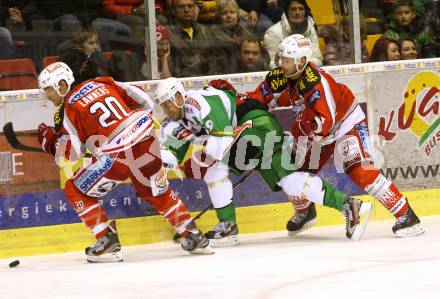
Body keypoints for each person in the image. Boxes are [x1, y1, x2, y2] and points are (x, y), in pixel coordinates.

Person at [154, 76, 373, 246]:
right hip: (249, 131)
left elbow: (220, 142)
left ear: (180, 97)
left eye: (168, 103)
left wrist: (197, 154)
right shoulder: (175, 120)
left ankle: (228, 226)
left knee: (215, 168)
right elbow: (171, 155)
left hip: (256, 124)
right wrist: (165, 162)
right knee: (290, 181)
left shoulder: (201, 104)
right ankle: (350, 206)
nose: (166, 109)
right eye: (162, 105)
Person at [246, 34, 425, 238]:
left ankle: (406, 216)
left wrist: (303, 132)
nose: (281, 64)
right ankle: (305, 212)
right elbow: (258, 98)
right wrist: (244, 109)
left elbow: (326, 123)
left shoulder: (316, 84)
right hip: (319, 130)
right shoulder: (280, 76)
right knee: (292, 170)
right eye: (282, 59)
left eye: (287, 60)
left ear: (302, 61)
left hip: (345, 124)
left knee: (359, 170)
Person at [36, 61, 214, 262]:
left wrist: (49, 143)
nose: (48, 96)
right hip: (146, 139)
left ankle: (106, 240)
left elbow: (74, 152)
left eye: (49, 89)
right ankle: (195, 236)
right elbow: (145, 100)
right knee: (155, 191)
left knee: (74, 189)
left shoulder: (68, 108)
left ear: (62, 85)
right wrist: (130, 129)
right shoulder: (101, 82)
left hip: (117, 155)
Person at [166, 0, 221, 77]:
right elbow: (169, 65)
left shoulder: (205, 30)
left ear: (195, 8)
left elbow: (214, 60)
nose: (187, 10)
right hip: (180, 83)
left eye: (190, 6)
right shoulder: (167, 34)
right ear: (173, 10)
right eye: (181, 7)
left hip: (207, 82)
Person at [264, 0, 322, 68]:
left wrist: (298, 65)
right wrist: (296, 67)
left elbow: (318, 60)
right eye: (293, 9)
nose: (297, 12)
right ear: (287, 12)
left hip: (308, 72)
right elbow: (273, 64)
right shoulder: (273, 33)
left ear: (305, 12)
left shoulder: (310, 30)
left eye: (301, 9)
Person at [211, 0, 258, 73]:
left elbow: (262, 54)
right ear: (218, 17)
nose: (229, 16)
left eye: (232, 12)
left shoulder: (246, 33)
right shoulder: (211, 34)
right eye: (224, 13)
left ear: (238, 15)